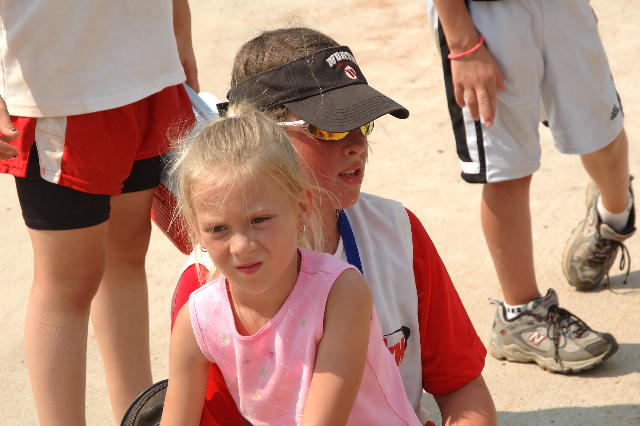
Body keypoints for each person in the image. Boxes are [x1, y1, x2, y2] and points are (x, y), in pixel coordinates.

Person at [171, 27, 497, 426]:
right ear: (261, 137)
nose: (356, 144)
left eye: (364, 123)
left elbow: (461, 386)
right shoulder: (207, 286)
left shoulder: (396, 230)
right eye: (329, 128)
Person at [161, 104, 423, 425]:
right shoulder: (198, 319)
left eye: (259, 220)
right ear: (195, 229)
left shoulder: (340, 293)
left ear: (302, 207)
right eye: (218, 228)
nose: (241, 246)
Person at [0, 1, 197, 424]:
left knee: (126, 253)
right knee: (68, 279)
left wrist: (179, 26)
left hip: (147, 65)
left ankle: (137, 414)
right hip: (59, 86)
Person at [425, 0, 633, 373]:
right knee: (508, 169)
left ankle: (613, 216)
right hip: (484, 19)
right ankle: (520, 314)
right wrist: (462, 42)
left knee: (601, 133)